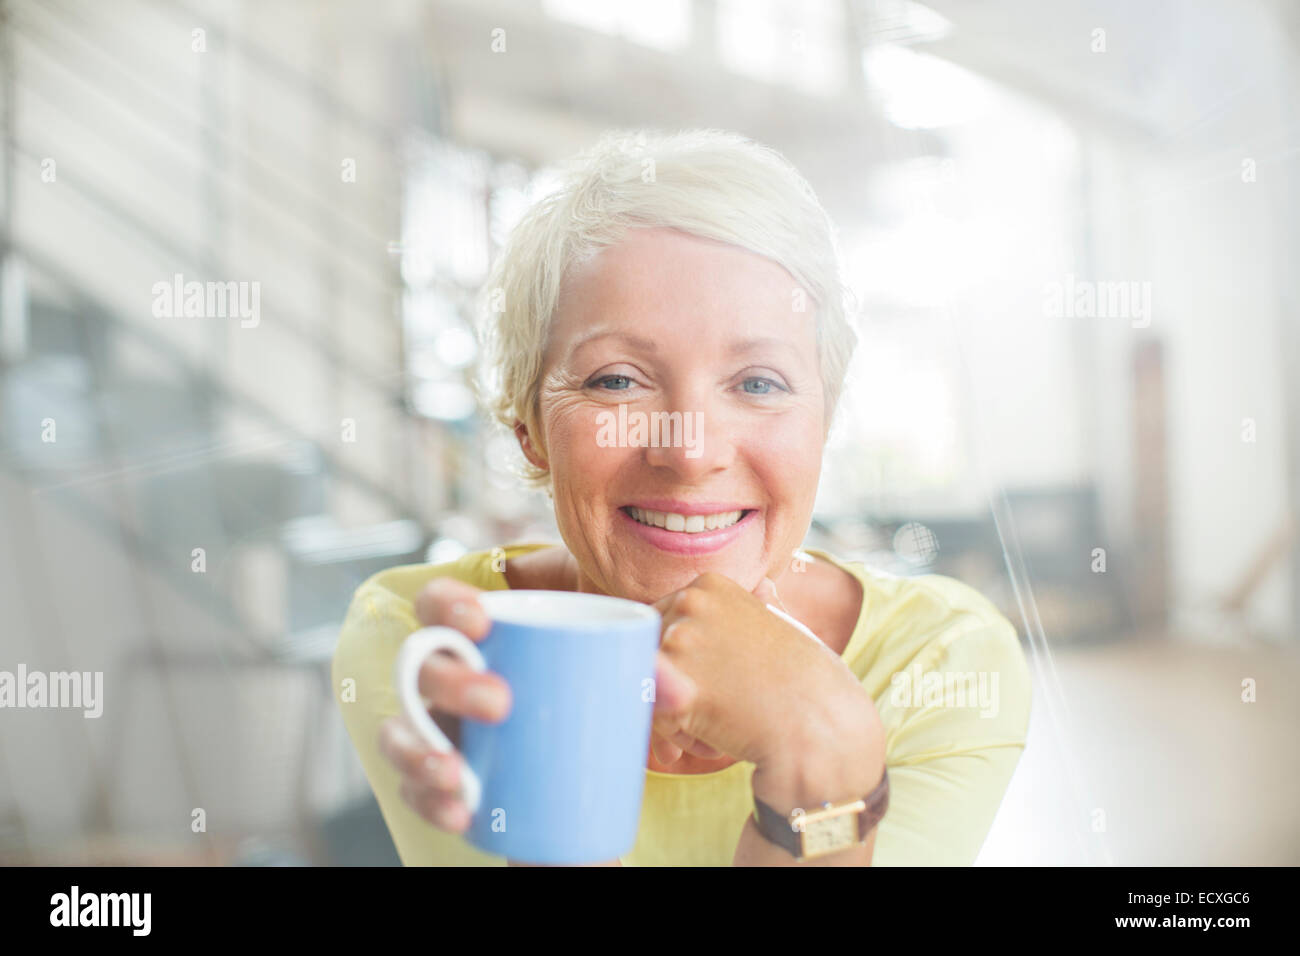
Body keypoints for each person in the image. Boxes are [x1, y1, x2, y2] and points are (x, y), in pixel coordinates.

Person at [332, 129, 1031, 866]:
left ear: (823, 422)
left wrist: (823, 764)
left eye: (758, 383)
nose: (691, 453)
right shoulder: (425, 638)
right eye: (616, 379)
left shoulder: (945, 661)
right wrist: (545, 789)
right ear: (529, 427)